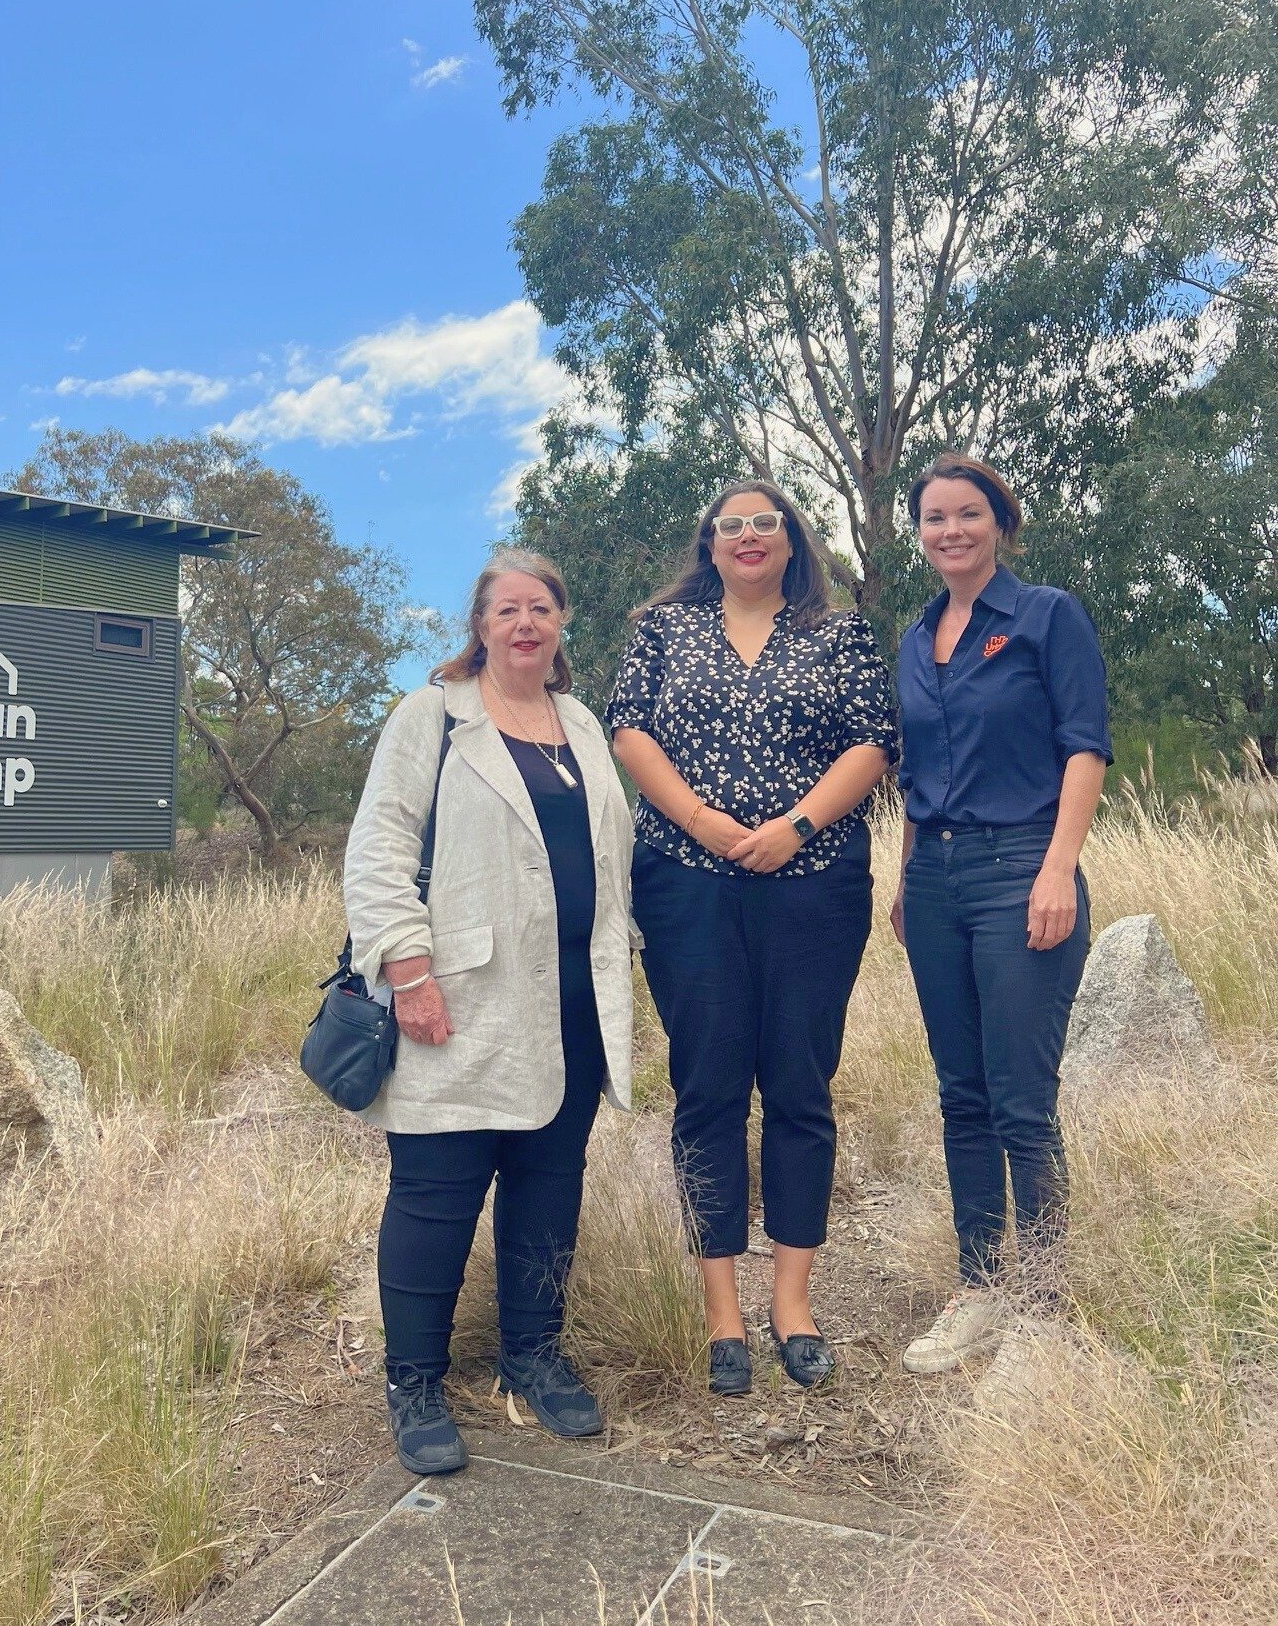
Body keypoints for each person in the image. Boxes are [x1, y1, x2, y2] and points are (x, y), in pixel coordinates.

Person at [344, 549, 635, 1476]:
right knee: (436, 1193)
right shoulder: (431, 717)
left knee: (549, 1187)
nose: (525, 624)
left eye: (541, 608)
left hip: (574, 1005)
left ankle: (533, 1358)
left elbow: (614, 862)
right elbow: (379, 847)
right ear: (479, 626)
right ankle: (415, 1383)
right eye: (507, 609)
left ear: (561, 625)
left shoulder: (581, 726)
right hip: (458, 1000)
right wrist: (410, 970)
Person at [608, 482, 898, 1393]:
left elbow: (874, 742)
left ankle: (794, 1305)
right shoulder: (664, 630)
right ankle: (722, 1312)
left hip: (813, 887)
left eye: (762, 523)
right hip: (686, 884)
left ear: (789, 540)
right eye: (729, 525)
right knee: (708, 1089)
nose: (746, 536)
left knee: (802, 1087)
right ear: (709, 542)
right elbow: (629, 731)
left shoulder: (838, 632)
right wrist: (701, 822)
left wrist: (795, 828)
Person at [890, 454, 1112, 1375]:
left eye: (968, 514)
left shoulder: (1047, 616)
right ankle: (980, 1287)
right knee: (962, 1093)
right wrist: (903, 879)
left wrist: (1057, 867)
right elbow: (912, 775)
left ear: (1000, 522)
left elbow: (1085, 748)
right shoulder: (912, 638)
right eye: (935, 518)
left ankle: (1044, 1309)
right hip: (933, 879)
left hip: (1022, 863)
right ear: (920, 533)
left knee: (1023, 1099)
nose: (952, 531)